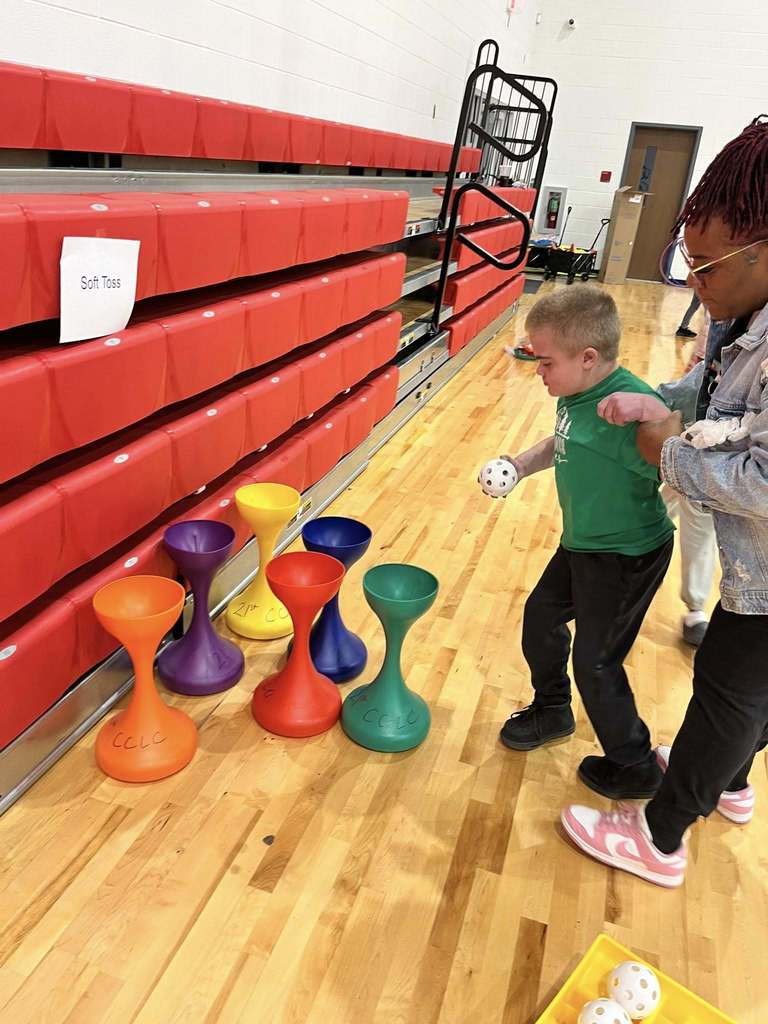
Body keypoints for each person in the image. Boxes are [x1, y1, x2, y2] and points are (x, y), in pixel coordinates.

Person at [561, 116, 768, 887]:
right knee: (744, 693)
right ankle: (732, 778)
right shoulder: (740, 313)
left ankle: (662, 834)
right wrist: (654, 402)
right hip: (755, 566)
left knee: (727, 688)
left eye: (706, 268)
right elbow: (705, 392)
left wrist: (668, 454)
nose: (693, 284)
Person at [493, 287, 674, 801]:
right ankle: (552, 710)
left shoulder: (627, 407)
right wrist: (523, 464)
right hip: (583, 544)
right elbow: (565, 439)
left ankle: (635, 765)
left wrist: (658, 412)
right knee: (540, 617)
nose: (539, 371)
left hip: (627, 555)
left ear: (588, 358)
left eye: (546, 362)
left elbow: (678, 460)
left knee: (596, 662)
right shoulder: (576, 394)